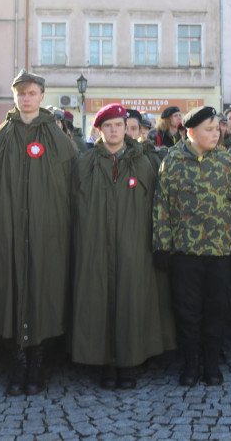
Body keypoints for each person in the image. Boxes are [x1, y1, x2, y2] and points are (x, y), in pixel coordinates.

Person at [0, 71, 78, 396]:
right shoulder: (2, 134)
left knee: (42, 294)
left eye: (32, 93)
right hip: (8, 231)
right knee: (12, 294)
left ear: (41, 95)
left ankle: (37, 364)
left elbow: (68, 185)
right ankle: (18, 364)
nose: (26, 98)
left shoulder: (54, 135)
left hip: (46, 232)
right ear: (15, 96)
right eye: (21, 93)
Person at [72, 103, 174, 389]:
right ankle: (105, 362)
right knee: (99, 303)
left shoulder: (145, 161)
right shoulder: (85, 162)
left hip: (135, 246)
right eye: (108, 126)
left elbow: (159, 205)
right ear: (99, 129)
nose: (114, 130)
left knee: (133, 303)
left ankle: (129, 363)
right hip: (95, 245)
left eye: (118, 125)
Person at [153, 107, 231, 387]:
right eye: (209, 130)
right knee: (187, 310)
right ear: (191, 132)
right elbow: (162, 207)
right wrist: (162, 246)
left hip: (219, 250)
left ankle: (212, 363)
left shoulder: (227, 162)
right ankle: (190, 364)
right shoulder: (172, 161)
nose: (215, 135)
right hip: (185, 252)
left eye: (217, 130)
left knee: (217, 309)